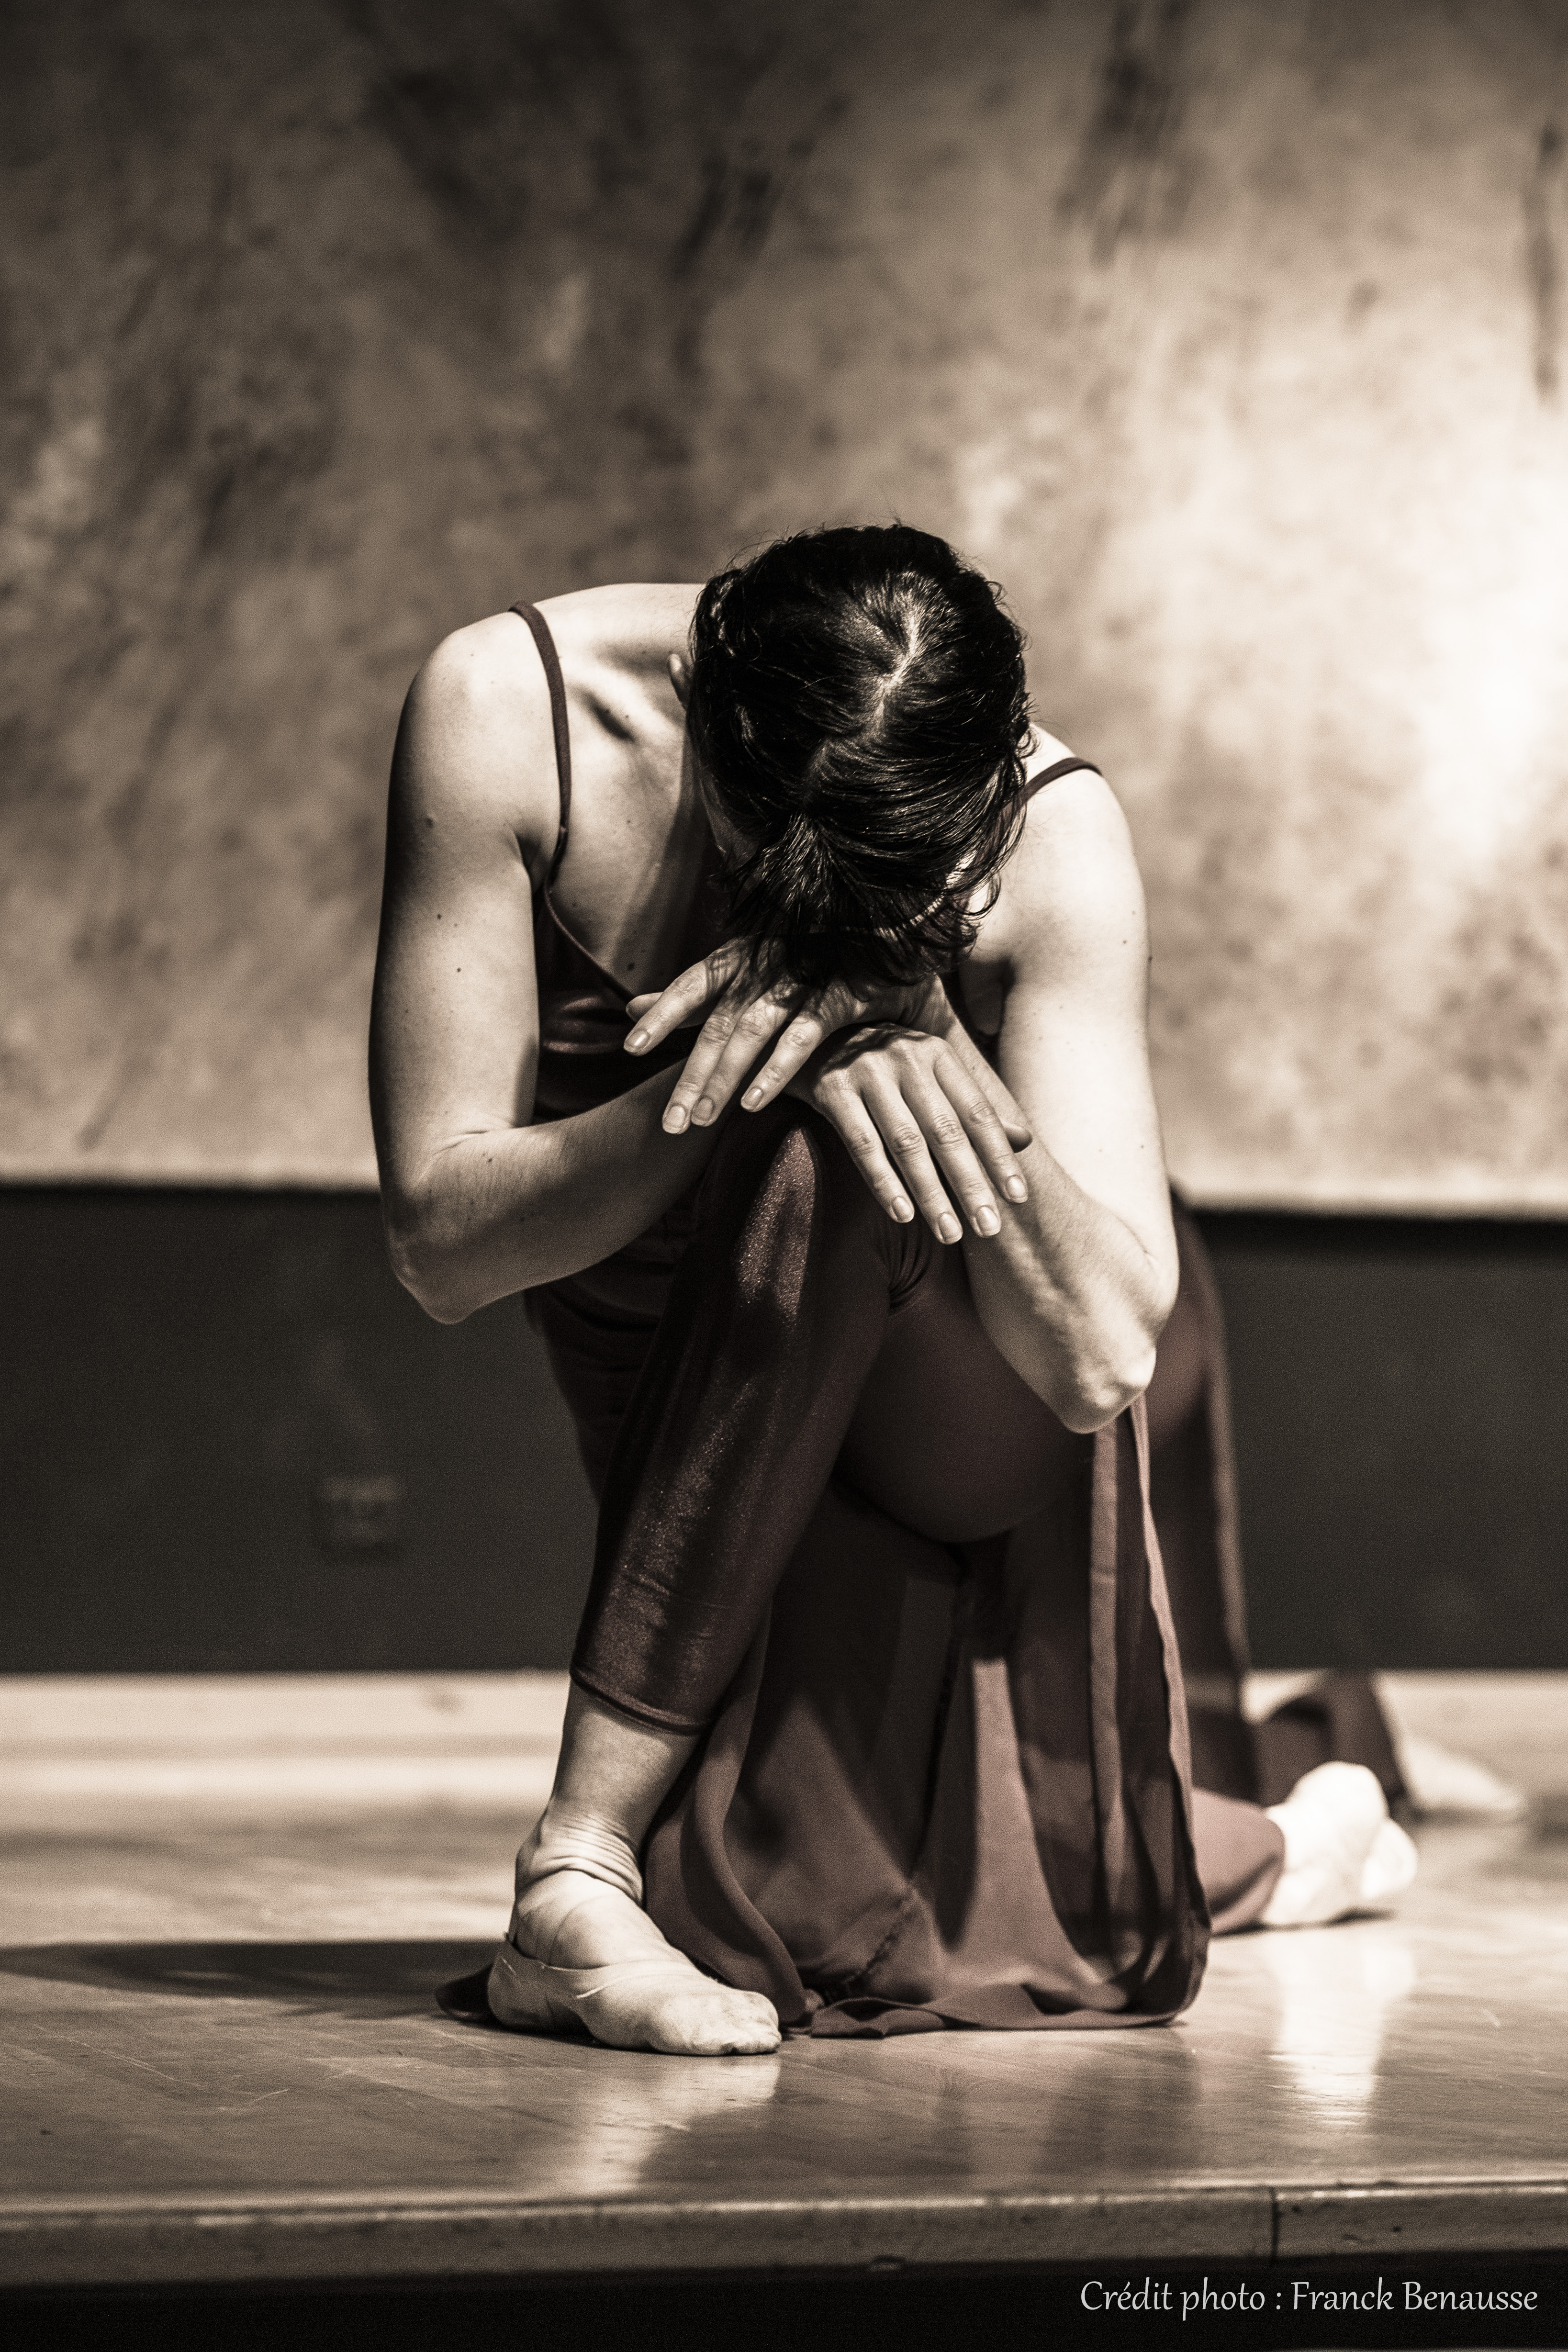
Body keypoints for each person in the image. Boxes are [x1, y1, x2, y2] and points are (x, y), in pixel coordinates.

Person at [370, 525, 1414, 2056]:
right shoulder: (508, 711)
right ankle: (1288, 1837)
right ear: (690, 714)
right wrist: (713, 1092)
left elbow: (1100, 1350)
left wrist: (917, 1036)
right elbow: (442, 1244)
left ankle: (570, 1870)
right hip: (686, 1381)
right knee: (839, 1891)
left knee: (834, 1138)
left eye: (888, 887)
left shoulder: (1048, 825)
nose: (824, 926)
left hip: (963, 1389)